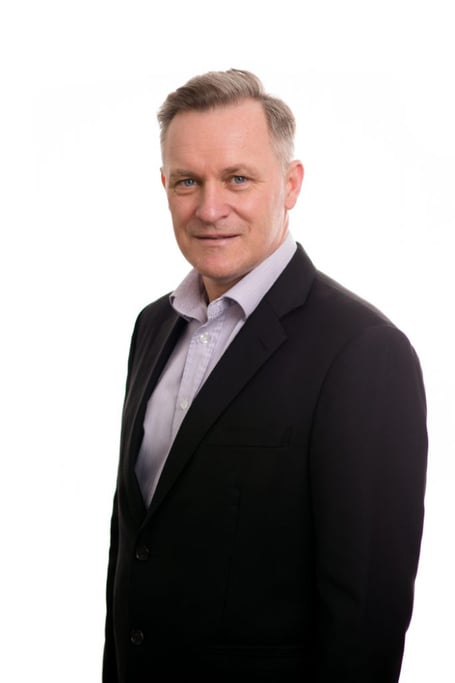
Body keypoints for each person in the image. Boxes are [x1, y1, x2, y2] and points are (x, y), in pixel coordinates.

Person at [103, 69, 427, 683]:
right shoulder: (154, 326)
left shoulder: (362, 351)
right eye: (188, 181)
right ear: (165, 185)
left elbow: (366, 620)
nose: (209, 209)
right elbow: (134, 545)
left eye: (238, 179)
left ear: (291, 183)